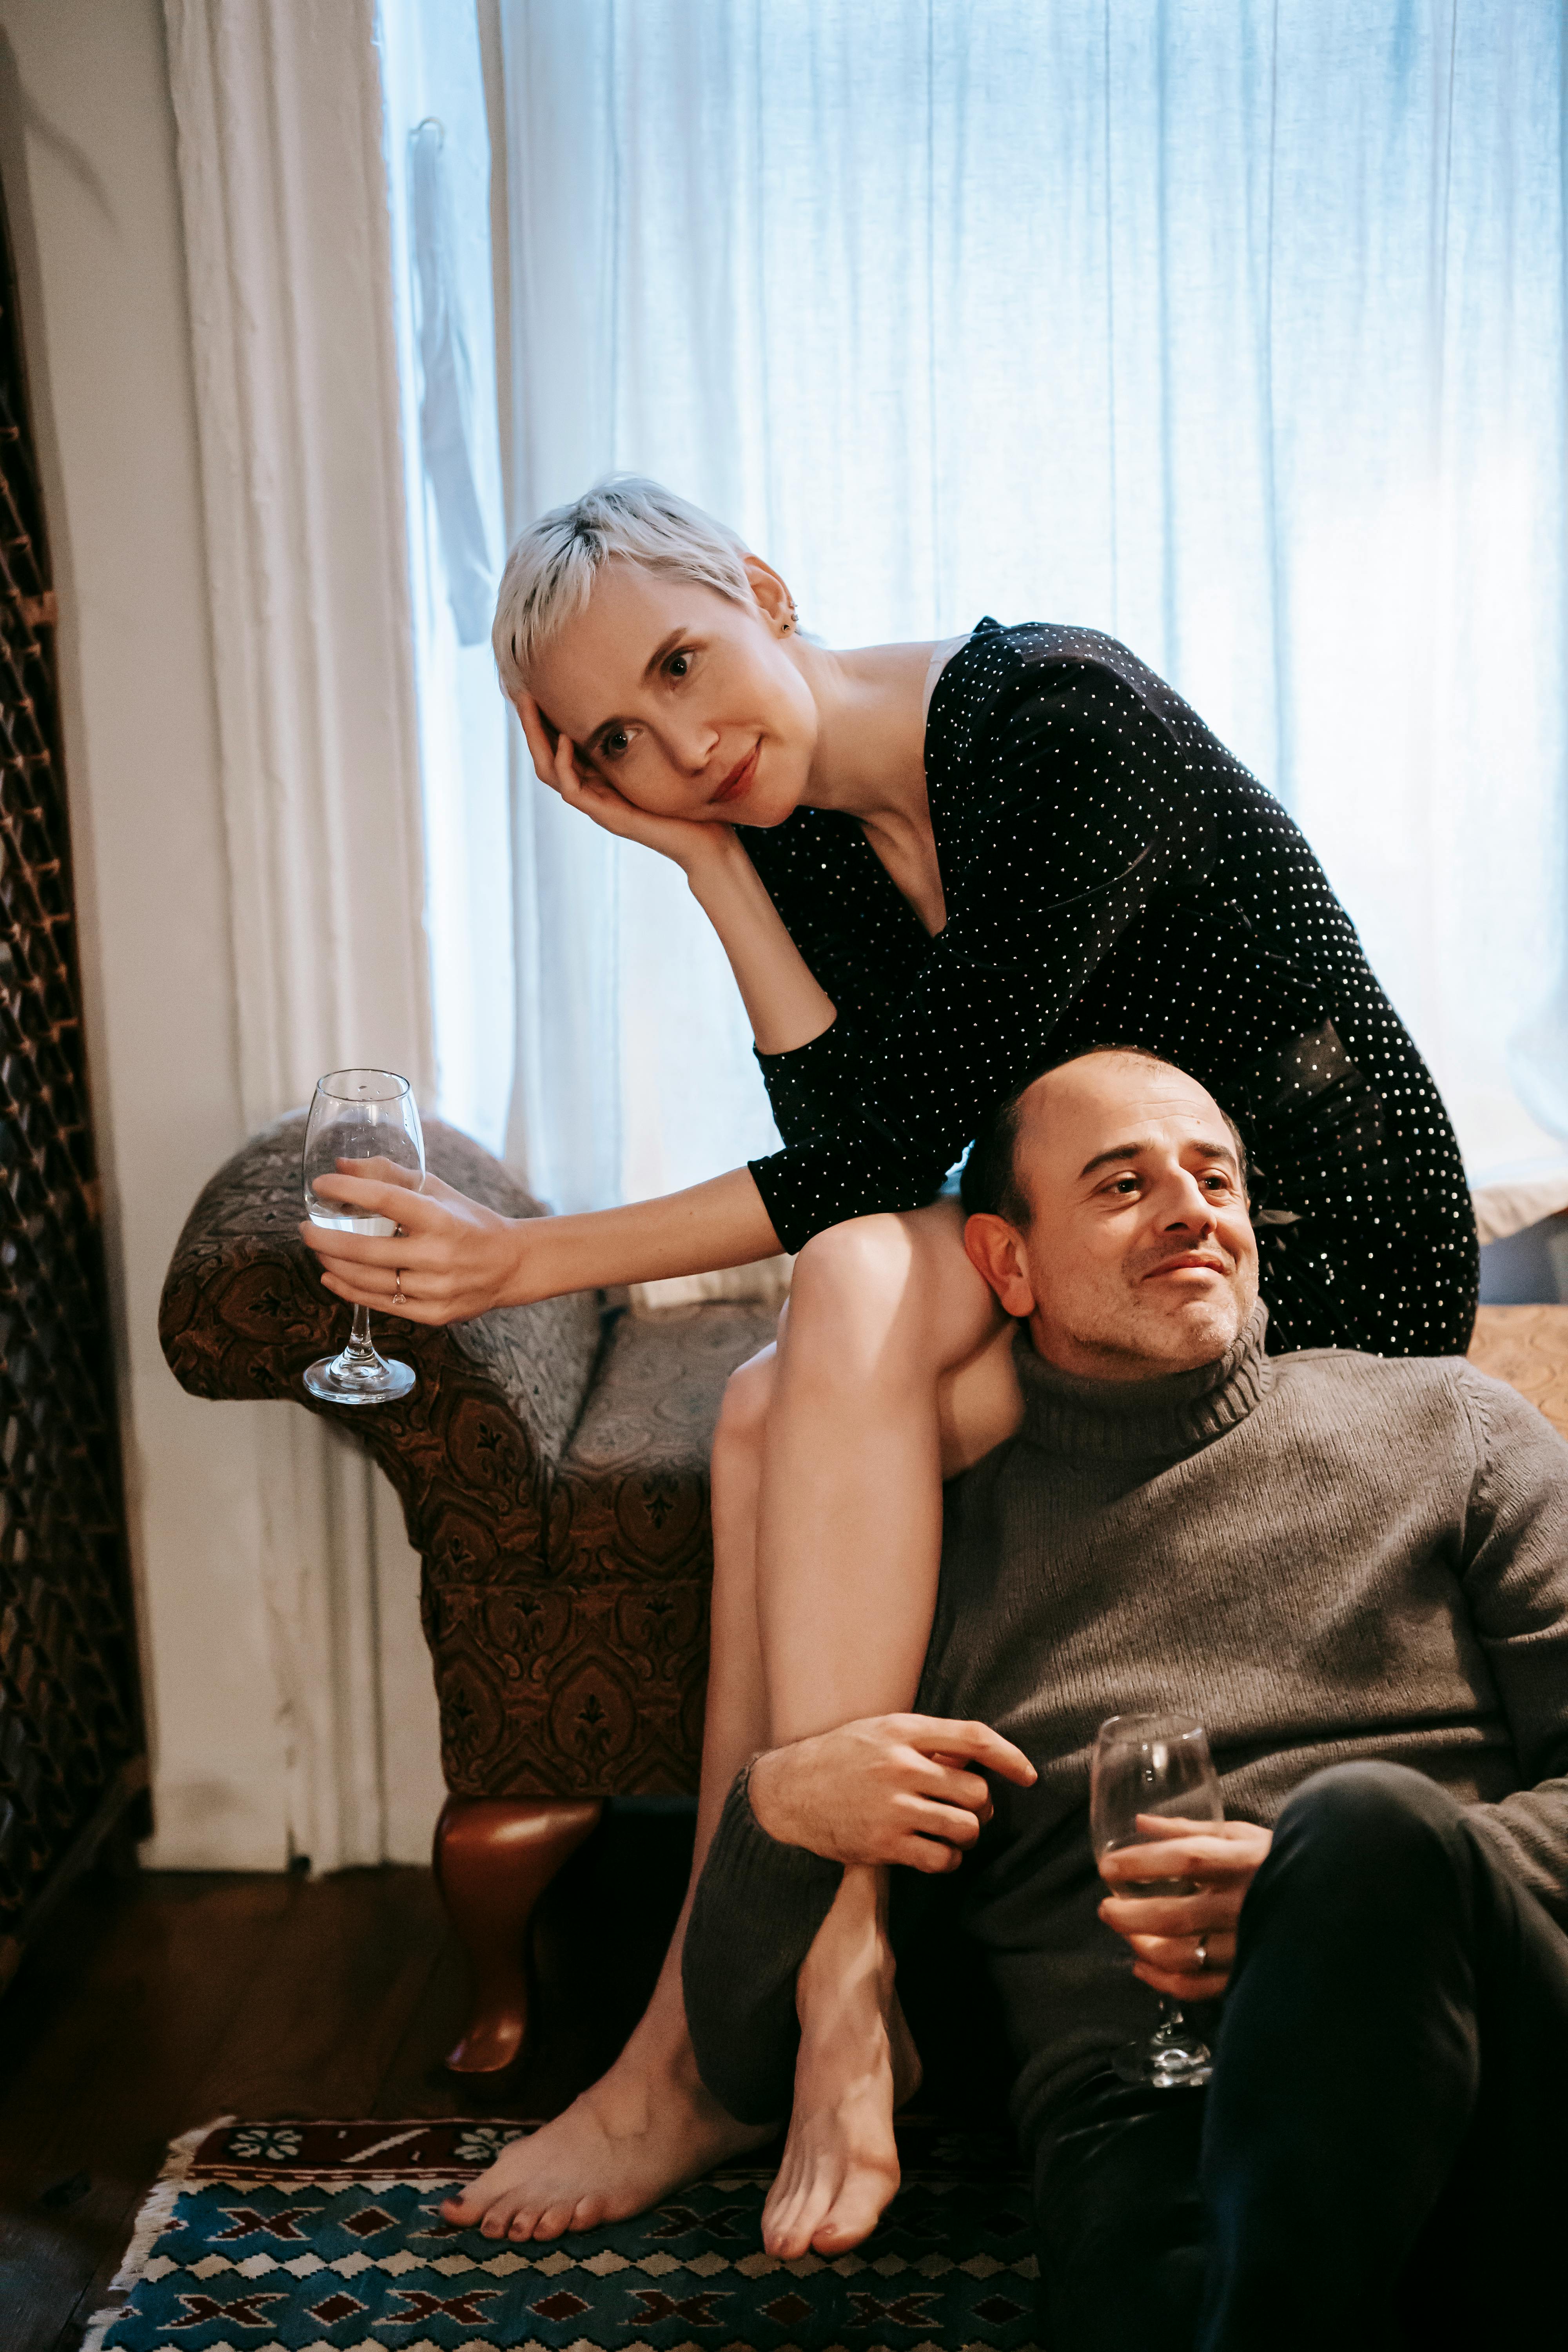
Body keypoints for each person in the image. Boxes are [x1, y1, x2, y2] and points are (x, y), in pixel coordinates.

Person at [300, 477, 1479, 2239]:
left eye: (689, 664)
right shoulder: (785, 826)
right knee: (779, 1412)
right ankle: (771, 2011)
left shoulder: (1060, 732)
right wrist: (711, 863)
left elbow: (870, 1167)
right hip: (1073, 1259)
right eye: (622, 736)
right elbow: (855, 1124)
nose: (683, 744)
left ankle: (762, 2025)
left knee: (838, 1295)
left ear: (766, 589)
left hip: (1310, 1260)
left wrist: (522, 1262)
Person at [680, 1045, 1568, 2347]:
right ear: (1005, 1264)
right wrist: (782, 1810)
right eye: (1120, 1185)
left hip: (1497, 2051)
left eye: (1216, 1177)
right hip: (1152, 2114)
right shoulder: (919, 1564)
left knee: (1366, 1828)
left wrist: (1322, 1897)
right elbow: (742, 2061)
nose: (1193, 1208)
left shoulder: (1450, 1427)